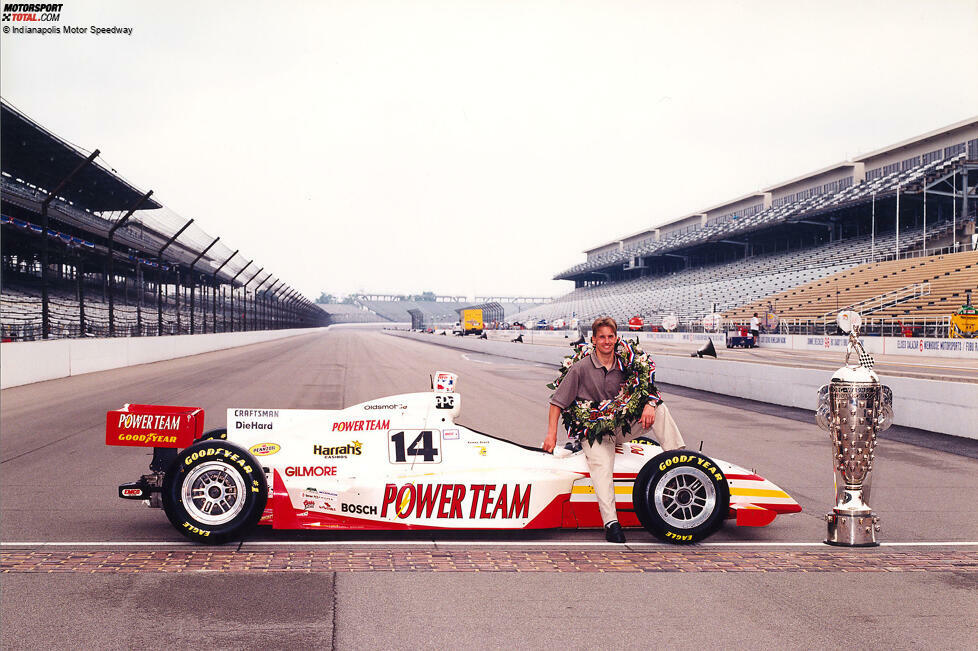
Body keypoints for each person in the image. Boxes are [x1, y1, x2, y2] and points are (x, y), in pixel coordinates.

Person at [543, 316, 685, 543]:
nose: (607, 341)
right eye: (602, 337)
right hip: (595, 432)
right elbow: (556, 403)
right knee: (601, 467)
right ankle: (611, 523)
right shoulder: (580, 369)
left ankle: (680, 462)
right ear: (594, 340)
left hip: (622, 426)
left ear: (616, 338)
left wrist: (649, 404)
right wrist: (551, 435)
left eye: (610, 337)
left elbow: (649, 387)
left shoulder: (628, 362)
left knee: (659, 409)